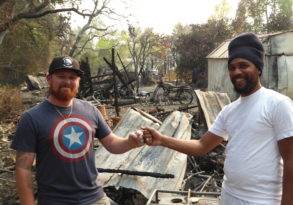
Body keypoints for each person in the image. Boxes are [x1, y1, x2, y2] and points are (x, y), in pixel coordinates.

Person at [143, 33, 293, 205]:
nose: (237, 72)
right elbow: (201, 146)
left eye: (244, 65)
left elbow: (291, 161)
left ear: (258, 68)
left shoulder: (278, 104)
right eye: (232, 67)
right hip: (228, 197)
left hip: (263, 200)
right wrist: (162, 139)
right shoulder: (230, 110)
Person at [11, 56, 145, 205]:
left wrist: (130, 142)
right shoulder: (31, 118)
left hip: (96, 198)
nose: (67, 81)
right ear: (49, 79)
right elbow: (23, 168)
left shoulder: (91, 110)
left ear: (78, 81)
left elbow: (112, 143)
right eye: (61, 76)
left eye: (72, 77)